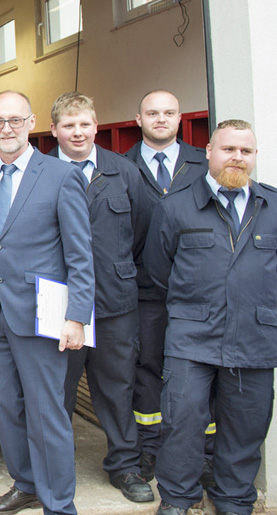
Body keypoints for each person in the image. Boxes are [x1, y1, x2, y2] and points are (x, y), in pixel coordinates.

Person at [0, 90, 94, 515]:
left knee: (46, 412)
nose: (7, 129)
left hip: (42, 316)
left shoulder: (59, 175)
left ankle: (58, 502)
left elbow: (80, 253)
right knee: (6, 409)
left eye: (15, 120)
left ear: (32, 122)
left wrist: (77, 317)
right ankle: (26, 484)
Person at [144, 119, 276, 515]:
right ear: (209, 152)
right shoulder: (176, 206)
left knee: (245, 426)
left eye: (245, 151)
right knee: (182, 424)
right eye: (228, 149)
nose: (237, 157)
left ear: (253, 157)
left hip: (255, 336)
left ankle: (235, 499)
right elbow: (158, 268)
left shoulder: (272, 207)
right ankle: (178, 498)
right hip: (192, 337)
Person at [48, 92, 152, 503]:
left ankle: (124, 465)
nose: (77, 132)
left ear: (96, 126)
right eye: (68, 125)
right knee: (57, 389)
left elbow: (142, 232)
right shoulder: (40, 172)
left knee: (117, 387)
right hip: (59, 304)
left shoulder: (123, 171)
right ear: (54, 129)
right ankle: (55, 468)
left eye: (84, 124)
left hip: (114, 302)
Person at [123, 90, 209, 481]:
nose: (161, 118)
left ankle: (203, 452)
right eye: (152, 113)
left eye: (169, 112)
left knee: (202, 369)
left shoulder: (204, 165)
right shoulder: (120, 167)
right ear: (137, 119)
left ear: (180, 119)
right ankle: (149, 447)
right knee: (146, 368)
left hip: (197, 291)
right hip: (144, 291)